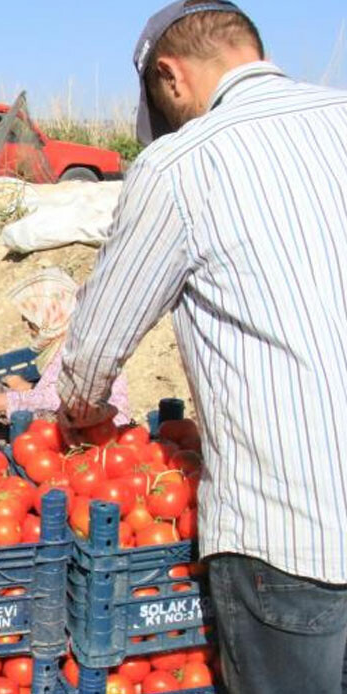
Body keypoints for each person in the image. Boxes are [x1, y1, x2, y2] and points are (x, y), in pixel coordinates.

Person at [56, 2, 347, 691]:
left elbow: (98, 344)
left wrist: (79, 411)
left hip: (294, 535)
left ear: (171, 75)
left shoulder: (182, 163)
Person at [0, 268, 130, 424]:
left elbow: (63, 399)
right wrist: (27, 388)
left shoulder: (77, 350)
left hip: (100, 427)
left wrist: (1, 401)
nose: (27, 328)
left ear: (51, 318)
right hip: (84, 419)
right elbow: (59, 389)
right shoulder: (68, 342)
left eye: (31, 322)